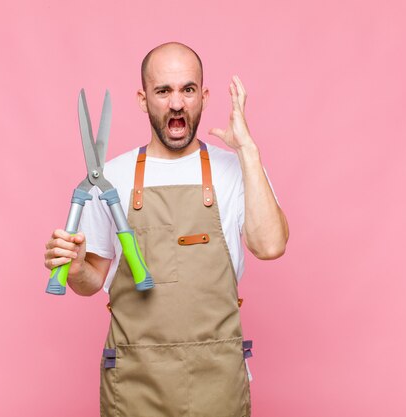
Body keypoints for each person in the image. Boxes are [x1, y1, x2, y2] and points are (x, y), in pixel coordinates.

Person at [44, 42, 289, 417]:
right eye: (164, 91)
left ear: (204, 96)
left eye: (187, 90)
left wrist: (248, 151)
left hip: (217, 380)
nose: (177, 103)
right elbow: (92, 278)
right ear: (144, 100)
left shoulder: (237, 170)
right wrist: (76, 269)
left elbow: (270, 245)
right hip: (135, 384)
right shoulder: (112, 176)